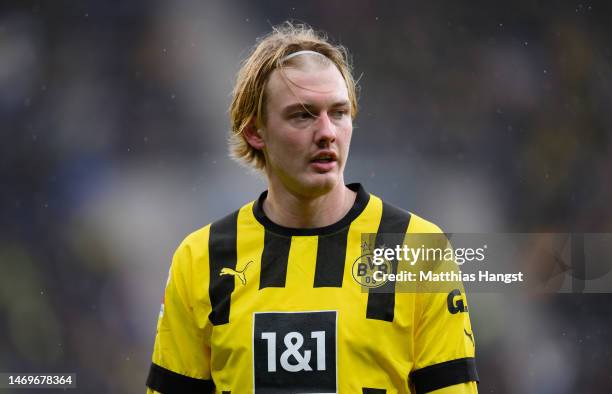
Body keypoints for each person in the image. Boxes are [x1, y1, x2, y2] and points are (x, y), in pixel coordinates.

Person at [145, 22, 478, 394]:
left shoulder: (418, 249)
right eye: (303, 115)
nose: (327, 132)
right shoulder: (200, 259)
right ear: (256, 131)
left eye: (338, 112)